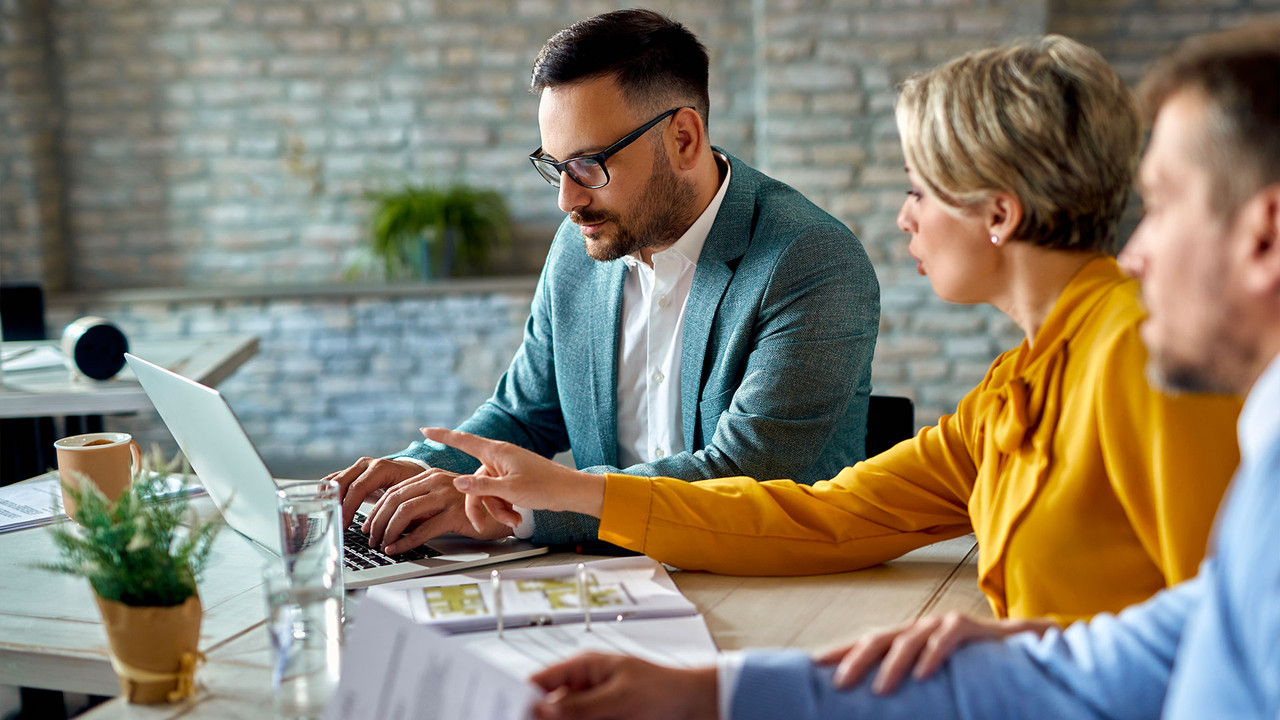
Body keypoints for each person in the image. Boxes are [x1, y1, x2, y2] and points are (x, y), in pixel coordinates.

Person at [447, 22, 1280, 720]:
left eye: (923, 189)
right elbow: (829, 517)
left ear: (999, 213)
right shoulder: (1018, 384)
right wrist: (572, 492)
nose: (904, 216)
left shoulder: (1137, 351)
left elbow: (1224, 655)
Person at [326, 9, 880, 549]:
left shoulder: (809, 259)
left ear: (684, 138)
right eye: (556, 165)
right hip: (612, 581)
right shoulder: (581, 244)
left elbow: (743, 477)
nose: (568, 200)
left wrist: (514, 509)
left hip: (769, 581)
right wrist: (414, 471)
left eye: (590, 164)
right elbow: (524, 414)